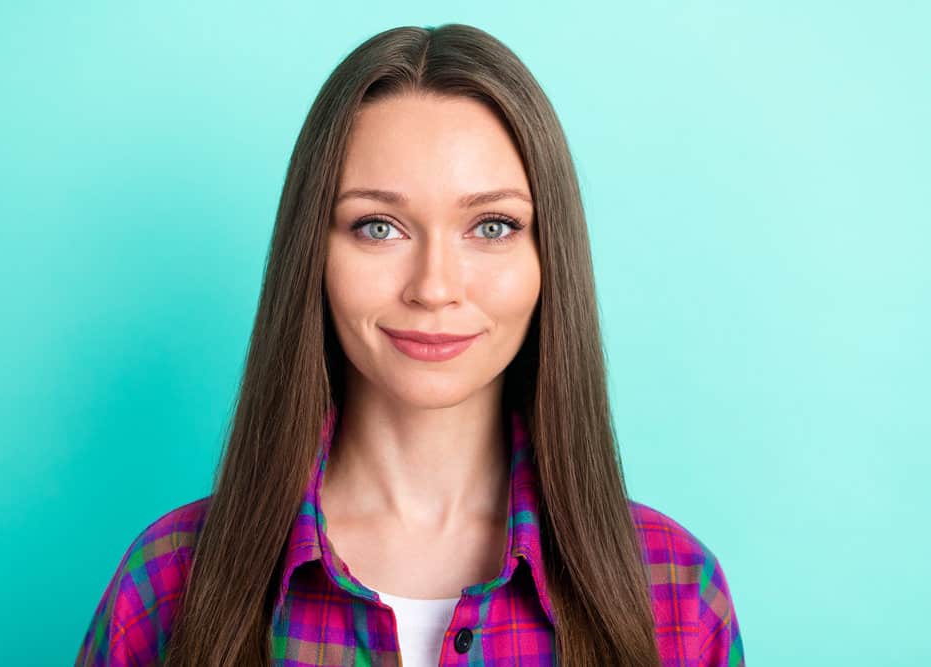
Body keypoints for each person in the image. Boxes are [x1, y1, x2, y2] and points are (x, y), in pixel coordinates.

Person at [75, 23, 744, 667]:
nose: (434, 287)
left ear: (550, 258)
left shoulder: (677, 592)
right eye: (378, 226)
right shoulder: (167, 583)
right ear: (313, 250)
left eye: (491, 225)